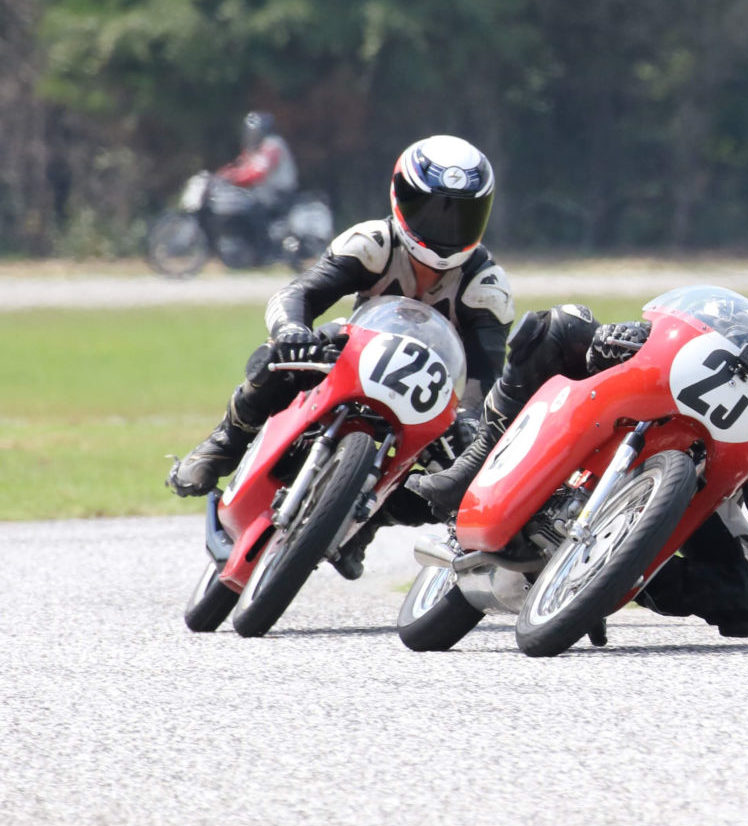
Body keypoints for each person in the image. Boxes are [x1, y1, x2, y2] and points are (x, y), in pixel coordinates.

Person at [408, 249, 748, 638]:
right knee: (555, 326)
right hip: (649, 412)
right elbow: (669, 329)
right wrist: (621, 337)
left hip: (716, 489)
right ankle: (476, 459)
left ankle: (603, 581)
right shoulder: (732, 319)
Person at [166, 134, 515, 579]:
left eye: (461, 215)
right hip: (355, 356)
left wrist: (469, 421)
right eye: (432, 209)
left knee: (464, 471)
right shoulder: (371, 242)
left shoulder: (488, 287)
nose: (444, 228)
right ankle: (224, 443)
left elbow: (487, 379)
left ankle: (369, 521)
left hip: (429, 400)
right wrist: (293, 330)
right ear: (400, 197)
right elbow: (299, 294)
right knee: (278, 357)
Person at [209, 111, 300, 260]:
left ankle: (263, 250)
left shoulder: (272, 145)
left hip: (279, 193)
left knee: (252, 208)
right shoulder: (255, 148)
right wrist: (222, 175)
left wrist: (234, 179)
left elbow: (259, 172)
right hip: (266, 192)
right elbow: (240, 166)